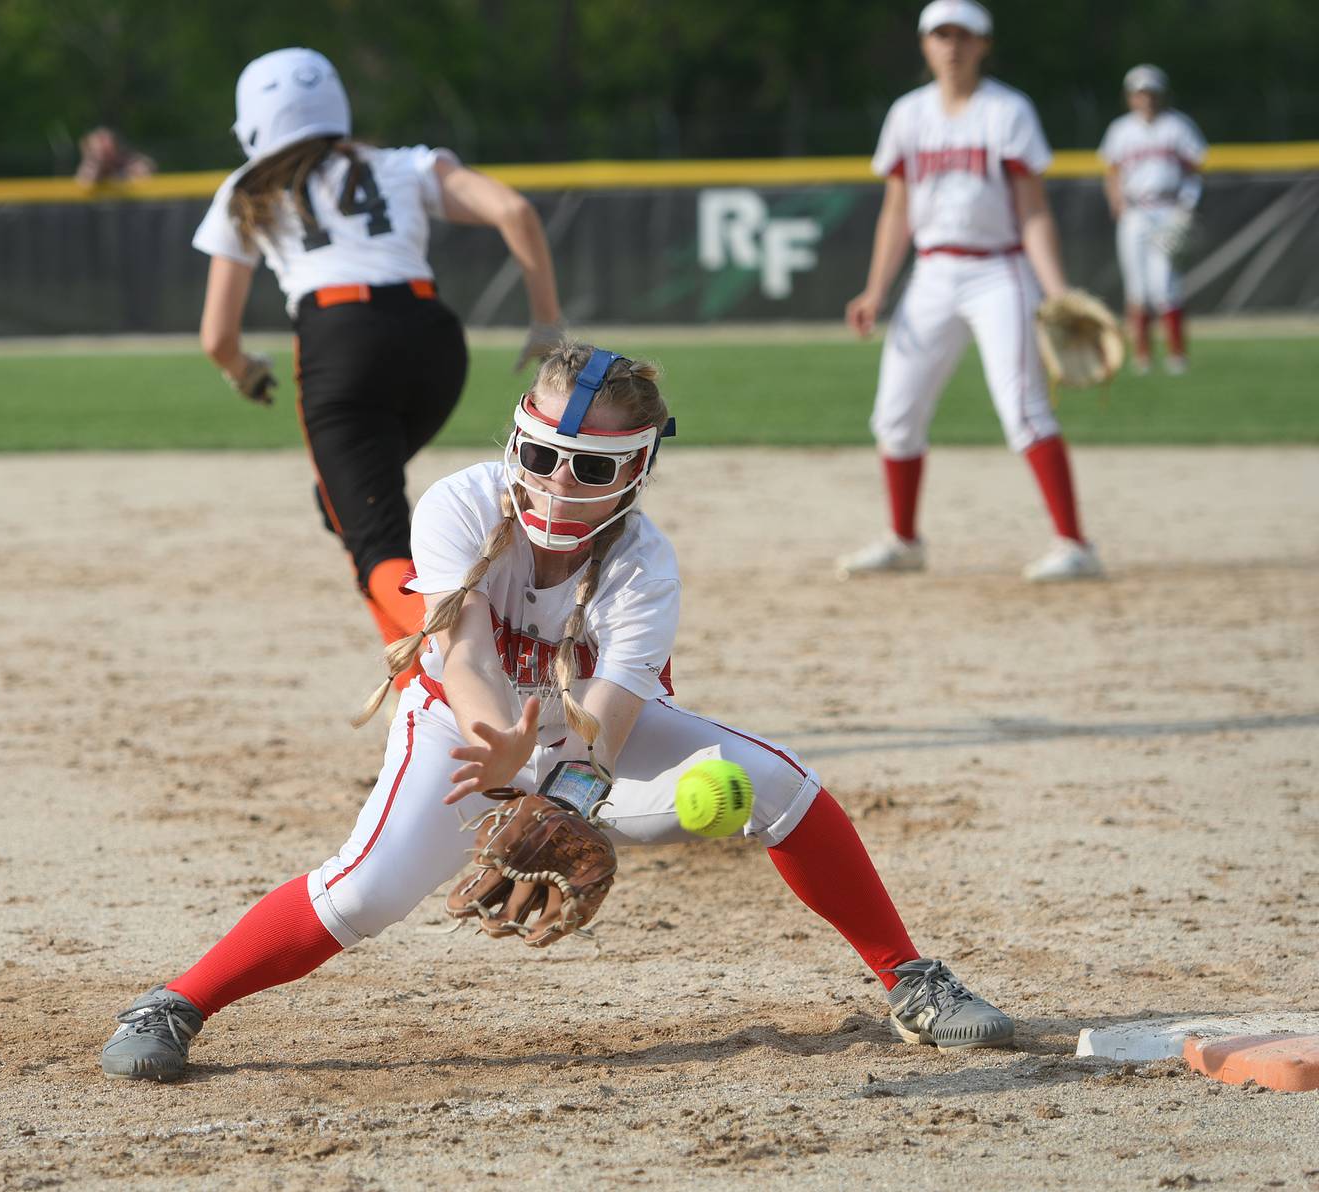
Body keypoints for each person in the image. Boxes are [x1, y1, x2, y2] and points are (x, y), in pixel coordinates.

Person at [99, 343, 1016, 1081]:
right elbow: (461, 654)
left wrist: (566, 795)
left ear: (639, 467)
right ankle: (174, 1002)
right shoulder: (461, 504)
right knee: (363, 894)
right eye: (541, 455)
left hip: (584, 743)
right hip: (463, 730)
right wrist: (497, 746)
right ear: (515, 443)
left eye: (590, 465)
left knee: (775, 784)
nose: (558, 482)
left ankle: (912, 980)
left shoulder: (643, 564)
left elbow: (610, 713)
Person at [193, 48, 565, 662]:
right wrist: (546, 322)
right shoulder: (403, 165)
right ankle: (412, 674)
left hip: (341, 341)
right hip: (435, 339)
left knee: (373, 543)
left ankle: (480, 654)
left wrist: (244, 371)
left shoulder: (247, 188)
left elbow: (217, 339)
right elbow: (514, 210)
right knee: (349, 508)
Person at [839, 0, 1101, 584]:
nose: (951, 45)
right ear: (925, 44)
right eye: (940, 34)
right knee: (895, 416)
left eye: (963, 35)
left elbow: (1034, 210)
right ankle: (905, 541)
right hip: (932, 274)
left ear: (984, 44)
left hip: (999, 272)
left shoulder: (1007, 111)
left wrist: (1056, 292)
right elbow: (897, 210)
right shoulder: (908, 115)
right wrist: (876, 289)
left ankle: (1075, 545)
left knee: (1024, 411)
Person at [1100, 65, 1207, 376]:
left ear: (1161, 95)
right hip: (1135, 211)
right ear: (1130, 97)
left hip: (1168, 207)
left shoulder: (1178, 126)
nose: (1145, 99)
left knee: (1166, 285)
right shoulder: (1120, 129)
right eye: (1139, 93)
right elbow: (1112, 170)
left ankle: (1177, 355)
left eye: (1150, 93)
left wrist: (1188, 205)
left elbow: (1194, 167)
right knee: (1137, 287)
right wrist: (1116, 201)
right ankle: (1142, 356)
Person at [73, 126, 155, 187]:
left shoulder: (127, 162)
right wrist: (95, 165)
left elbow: (146, 170)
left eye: (107, 146)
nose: (103, 150)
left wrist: (124, 175)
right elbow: (84, 183)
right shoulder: (90, 165)